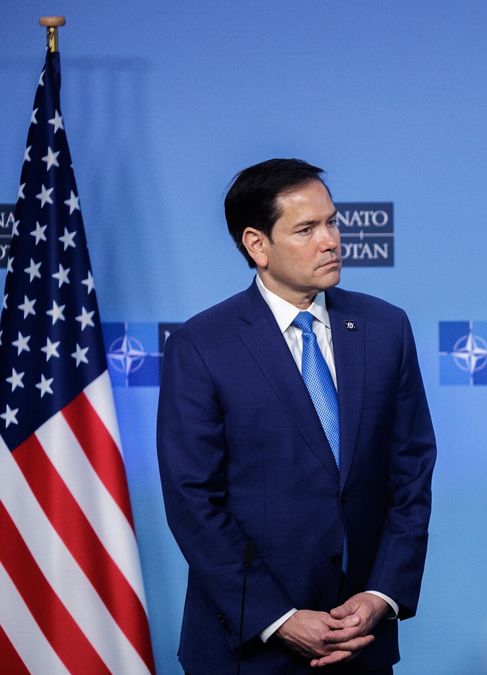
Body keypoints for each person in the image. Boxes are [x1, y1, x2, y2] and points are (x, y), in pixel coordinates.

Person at [158, 158, 436, 673]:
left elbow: (411, 474)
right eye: (306, 229)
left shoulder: (386, 328)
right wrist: (277, 618)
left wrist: (381, 594)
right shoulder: (201, 346)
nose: (330, 241)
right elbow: (193, 500)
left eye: (332, 222)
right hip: (246, 650)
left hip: (360, 642)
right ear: (257, 245)